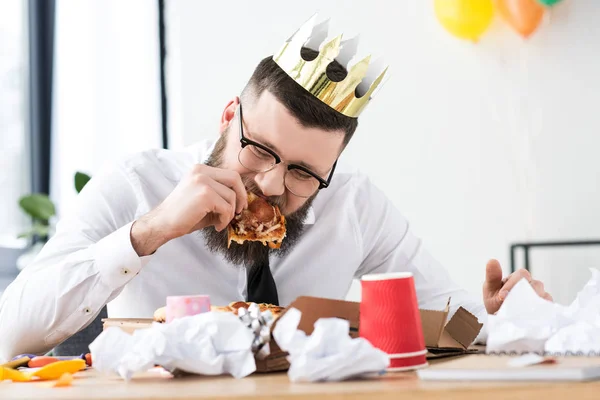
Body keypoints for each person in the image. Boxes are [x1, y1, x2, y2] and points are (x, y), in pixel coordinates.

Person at [0, 17, 551, 362]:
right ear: (227, 118)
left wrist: (492, 318)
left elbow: (446, 319)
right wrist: (150, 232)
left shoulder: (355, 204)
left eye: (304, 172)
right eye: (259, 149)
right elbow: (12, 330)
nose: (271, 184)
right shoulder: (137, 184)